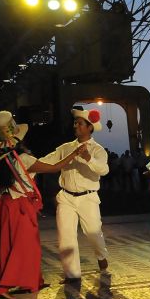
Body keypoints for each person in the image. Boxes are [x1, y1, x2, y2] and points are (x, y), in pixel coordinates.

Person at [0, 111, 85, 298]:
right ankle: (8, 286)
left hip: (3, 206)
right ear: (18, 140)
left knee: (4, 246)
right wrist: (75, 153)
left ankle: (26, 283)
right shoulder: (25, 159)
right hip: (20, 206)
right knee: (27, 246)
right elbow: (54, 168)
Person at [38, 106, 110, 283]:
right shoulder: (65, 148)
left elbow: (104, 170)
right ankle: (72, 274)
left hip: (88, 197)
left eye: (79, 123)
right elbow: (48, 161)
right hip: (66, 198)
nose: (75, 126)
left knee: (93, 233)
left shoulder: (98, 150)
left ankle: (101, 256)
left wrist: (87, 158)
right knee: (66, 236)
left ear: (90, 127)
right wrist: (27, 164)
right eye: (75, 123)